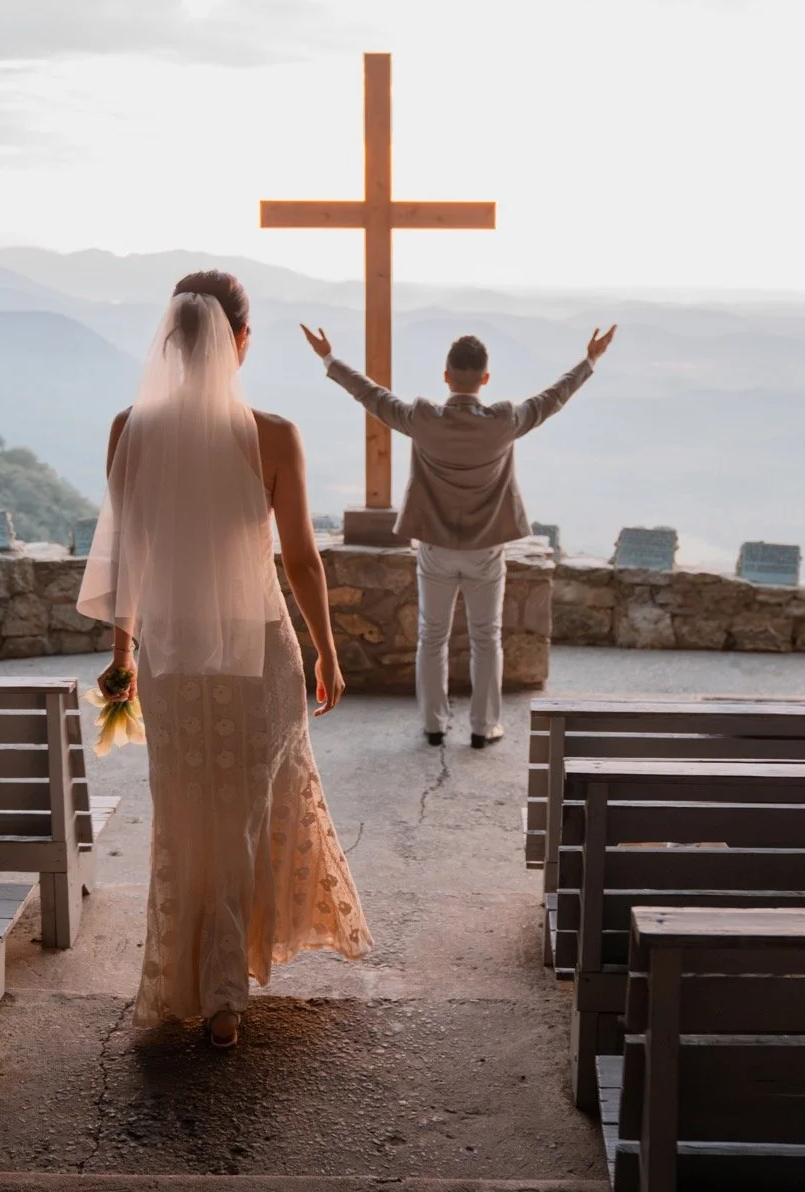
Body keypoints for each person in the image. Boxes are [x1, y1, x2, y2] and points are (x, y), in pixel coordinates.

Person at [77, 271, 372, 1049]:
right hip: (257, 653)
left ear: (172, 341)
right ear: (242, 340)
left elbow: (127, 559)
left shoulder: (126, 429)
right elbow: (304, 561)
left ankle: (194, 983)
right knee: (243, 818)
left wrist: (122, 656)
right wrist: (326, 651)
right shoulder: (273, 434)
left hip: (171, 657)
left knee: (187, 817)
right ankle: (224, 1001)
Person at [300, 322, 615, 749]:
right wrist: (589, 359)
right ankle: (484, 728)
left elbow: (370, 395)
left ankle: (433, 724)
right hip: (486, 549)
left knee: (432, 636)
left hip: (435, 548)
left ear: (446, 376)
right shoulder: (504, 420)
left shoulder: (423, 418)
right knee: (487, 637)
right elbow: (552, 399)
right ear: (485, 379)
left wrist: (329, 358)